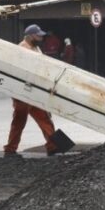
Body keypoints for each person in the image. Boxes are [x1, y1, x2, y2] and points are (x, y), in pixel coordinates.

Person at [4, 24, 63, 156]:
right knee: (19, 122)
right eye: (38, 35)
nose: (41, 38)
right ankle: (10, 150)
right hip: (23, 92)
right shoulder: (22, 49)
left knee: (45, 118)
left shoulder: (36, 48)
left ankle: (53, 146)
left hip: (34, 91)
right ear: (30, 36)